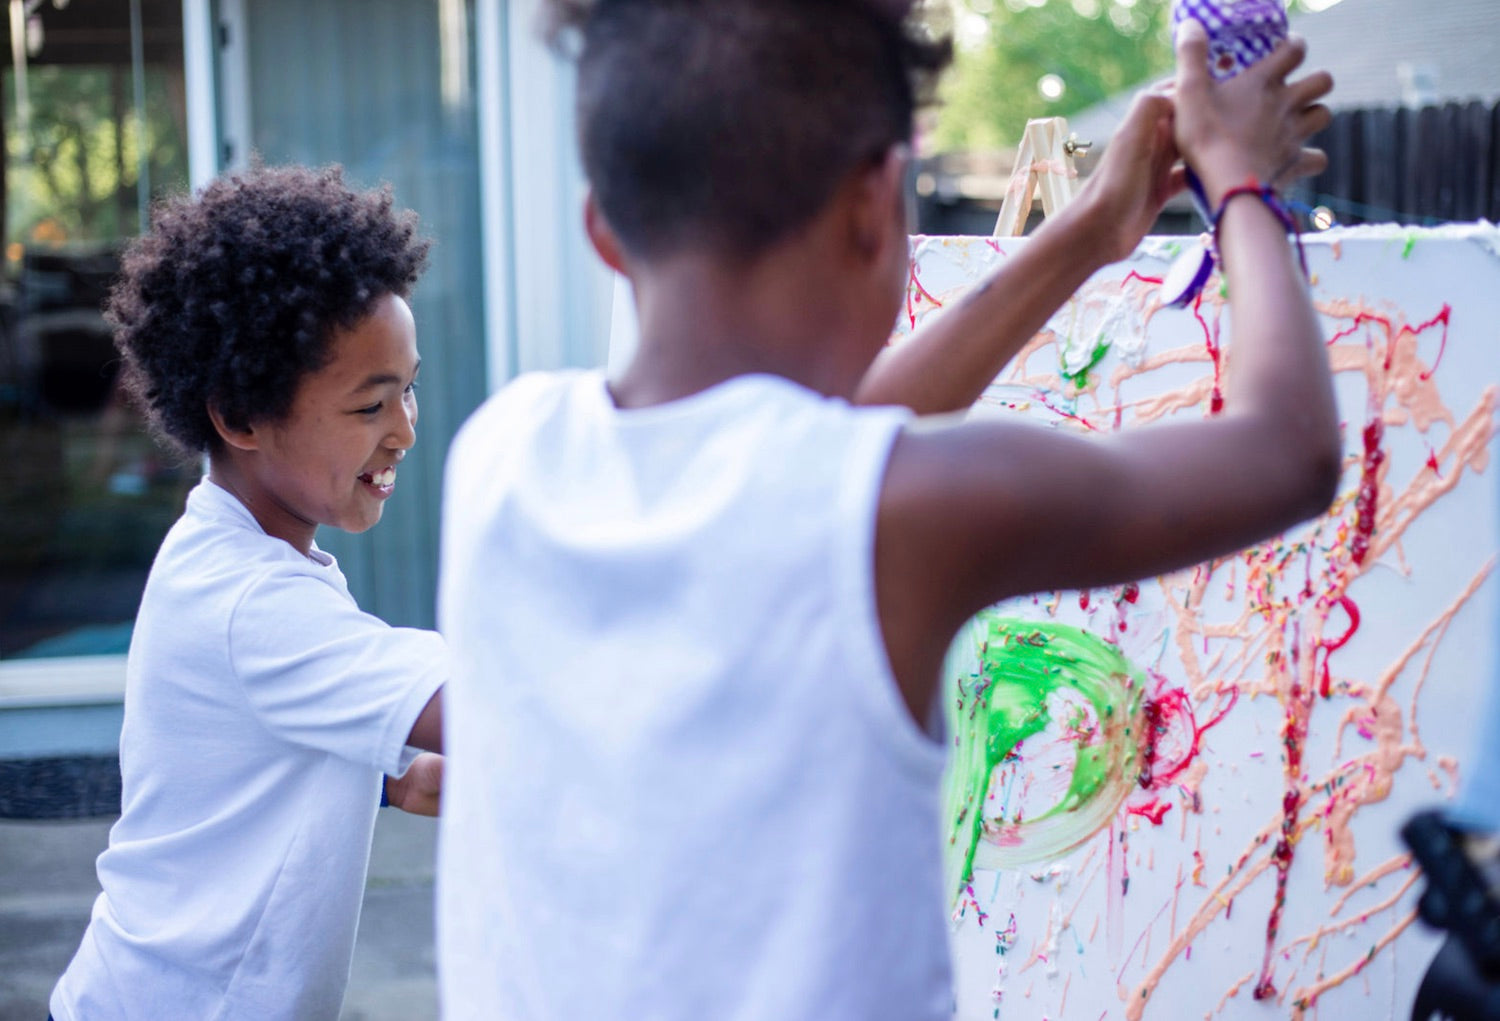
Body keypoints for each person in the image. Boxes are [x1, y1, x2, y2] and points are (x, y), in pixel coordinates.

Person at [435, 1, 1338, 1017]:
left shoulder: (501, 453)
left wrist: (1090, 231)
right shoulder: (892, 516)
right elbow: (1288, 450)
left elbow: (803, 449)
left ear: (603, 224)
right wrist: (1242, 185)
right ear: (876, 211)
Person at [49, 164, 447, 1021]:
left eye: (408, 388)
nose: (406, 428)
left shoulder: (224, 551)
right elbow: (470, 700)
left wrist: (385, 777)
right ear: (240, 417)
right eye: (370, 404)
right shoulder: (248, 599)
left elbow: (237, 756)